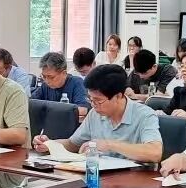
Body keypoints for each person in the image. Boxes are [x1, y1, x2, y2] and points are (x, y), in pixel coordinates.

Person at [33, 64, 161, 163]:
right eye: (90, 99)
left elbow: (155, 152)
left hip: (133, 182)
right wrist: (50, 144)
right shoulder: (95, 113)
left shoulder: (144, 115)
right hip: (100, 177)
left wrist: (109, 145)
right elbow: (73, 144)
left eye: (98, 100)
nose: (93, 105)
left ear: (118, 96)